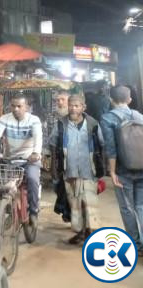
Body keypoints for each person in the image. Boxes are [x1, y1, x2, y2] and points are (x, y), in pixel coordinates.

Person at [50, 95, 104, 245]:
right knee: (75, 204)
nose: (73, 108)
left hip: (89, 171)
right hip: (70, 171)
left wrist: (102, 168)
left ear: (83, 107)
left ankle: (92, 234)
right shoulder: (61, 124)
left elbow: (101, 144)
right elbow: (53, 145)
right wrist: (54, 168)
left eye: (77, 106)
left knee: (89, 202)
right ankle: (81, 232)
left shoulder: (92, 124)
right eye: (71, 105)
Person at [0, 94, 42, 225]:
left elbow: (38, 137)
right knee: (3, 184)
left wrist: (36, 152)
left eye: (19, 106)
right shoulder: (4, 119)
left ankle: (33, 212)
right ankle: (9, 209)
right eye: (13, 106)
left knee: (32, 179)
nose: (15, 109)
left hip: (29, 159)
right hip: (11, 159)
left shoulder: (34, 120)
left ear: (26, 107)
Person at [100, 85, 143, 256]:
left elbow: (110, 148)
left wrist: (112, 172)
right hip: (142, 167)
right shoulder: (139, 116)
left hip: (122, 170)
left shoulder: (108, 118)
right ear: (129, 100)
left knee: (127, 207)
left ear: (111, 99)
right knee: (141, 206)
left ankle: (136, 245)